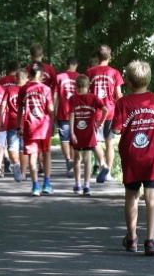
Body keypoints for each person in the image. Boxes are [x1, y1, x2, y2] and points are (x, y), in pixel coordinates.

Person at [110, 60, 154, 256]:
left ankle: (132, 237)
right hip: (152, 157)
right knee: (153, 197)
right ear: (149, 79)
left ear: (127, 82)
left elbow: (117, 129)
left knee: (132, 197)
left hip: (132, 156)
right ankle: (150, 240)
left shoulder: (123, 103)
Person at [86, 45, 125, 183]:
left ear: (97, 57)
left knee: (93, 142)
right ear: (110, 57)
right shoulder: (115, 72)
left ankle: (102, 165)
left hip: (94, 112)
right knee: (110, 142)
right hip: (110, 110)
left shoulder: (89, 72)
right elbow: (118, 95)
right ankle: (107, 170)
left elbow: (85, 93)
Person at [65, 73, 106, 196]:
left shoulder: (73, 99)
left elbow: (71, 115)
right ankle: (87, 186)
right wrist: (100, 123)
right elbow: (106, 109)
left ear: (75, 87)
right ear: (88, 86)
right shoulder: (94, 98)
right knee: (87, 159)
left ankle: (77, 184)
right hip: (89, 133)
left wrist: (71, 132)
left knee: (77, 158)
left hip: (77, 132)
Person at [20, 62, 55, 195]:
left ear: (29, 74)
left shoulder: (24, 88)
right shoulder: (45, 89)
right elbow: (50, 109)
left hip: (29, 126)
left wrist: (19, 126)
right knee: (46, 154)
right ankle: (47, 183)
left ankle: (35, 186)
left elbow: (20, 109)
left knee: (32, 157)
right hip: (44, 127)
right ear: (41, 74)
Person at [53, 57, 80, 176]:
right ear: (77, 65)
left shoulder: (59, 77)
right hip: (78, 111)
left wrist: (53, 111)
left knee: (64, 138)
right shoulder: (80, 77)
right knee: (74, 139)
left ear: (66, 64)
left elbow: (55, 95)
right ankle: (73, 163)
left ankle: (68, 160)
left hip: (63, 111)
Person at [0, 62, 25, 180]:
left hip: (11, 122)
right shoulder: (28, 89)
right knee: (23, 148)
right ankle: (23, 171)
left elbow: (3, 105)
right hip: (26, 122)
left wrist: (1, 119)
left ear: (16, 78)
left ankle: (16, 164)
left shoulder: (9, 89)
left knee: (12, 147)